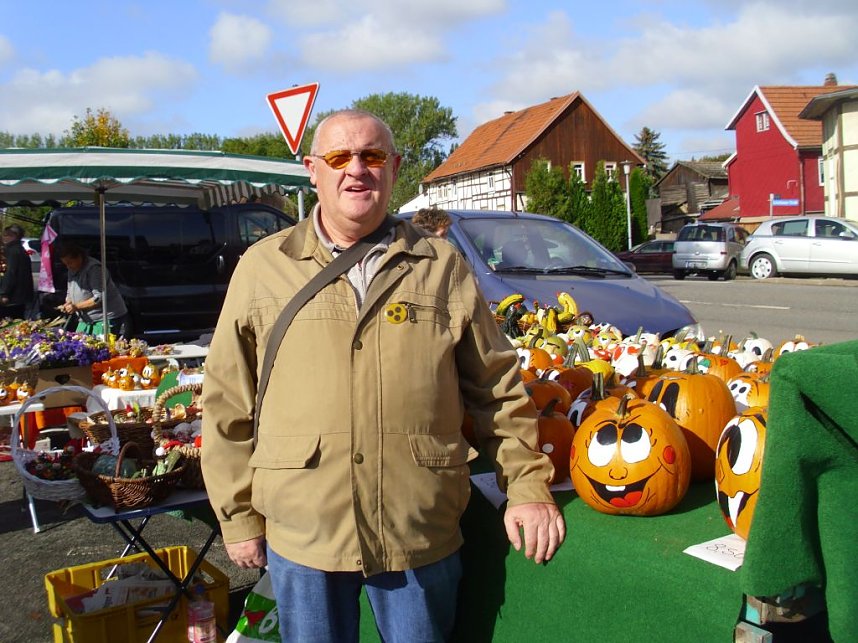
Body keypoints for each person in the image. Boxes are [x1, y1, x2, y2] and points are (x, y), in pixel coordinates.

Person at [201, 109, 564, 642]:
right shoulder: (262, 267)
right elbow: (227, 401)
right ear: (313, 170)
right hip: (305, 530)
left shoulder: (440, 265)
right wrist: (237, 518)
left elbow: (496, 386)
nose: (357, 170)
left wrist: (528, 485)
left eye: (372, 156)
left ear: (393, 167)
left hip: (416, 526)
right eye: (339, 157)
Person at [55, 240, 128, 336]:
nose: (68, 266)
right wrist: (68, 302)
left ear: (79, 257)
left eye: (70, 262)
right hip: (86, 319)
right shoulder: (72, 269)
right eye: (65, 264)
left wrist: (76, 306)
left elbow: (99, 299)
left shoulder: (94, 269)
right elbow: (70, 289)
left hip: (105, 318)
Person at [0, 224, 36, 320]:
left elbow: (10, 273)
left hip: (12, 298)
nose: (4, 237)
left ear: (14, 236)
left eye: (6, 235)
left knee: (7, 326)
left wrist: (4, 293)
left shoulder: (12, 251)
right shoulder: (20, 250)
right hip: (20, 297)